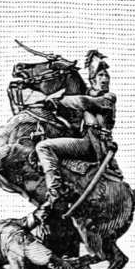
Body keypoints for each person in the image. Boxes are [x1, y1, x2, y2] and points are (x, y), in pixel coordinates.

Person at [35, 50, 117, 214]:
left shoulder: (108, 98)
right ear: (92, 80)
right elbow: (77, 86)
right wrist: (63, 65)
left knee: (43, 147)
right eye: (101, 75)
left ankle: (55, 192)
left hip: (94, 145)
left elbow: (82, 101)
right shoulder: (89, 92)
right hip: (87, 140)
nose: (105, 79)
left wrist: (58, 101)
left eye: (106, 75)